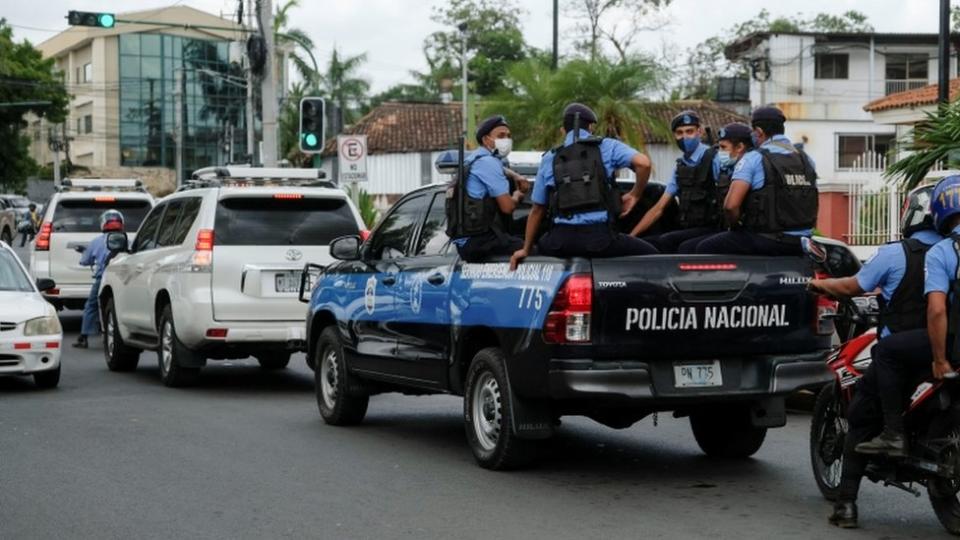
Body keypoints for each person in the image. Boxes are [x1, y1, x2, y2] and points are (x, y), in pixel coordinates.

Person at [806, 185, 941, 529]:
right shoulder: (951, 251)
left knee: (861, 414)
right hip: (944, 352)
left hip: (903, 355)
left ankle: (846, 505)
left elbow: (854, 286)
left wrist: (820, 285)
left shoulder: (896, 253)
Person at [851, 176, 960, 458]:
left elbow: (936, 310)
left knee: (886, 351)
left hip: (955, 345)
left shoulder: (944, 251)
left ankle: (893, 434)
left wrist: (940, 359)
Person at [510, 103, 658, 269]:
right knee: (653, 255)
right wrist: (635, 194)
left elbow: (537, 209)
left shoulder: (550, 157)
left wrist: (526, 249)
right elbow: (644, 164)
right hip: (599, 240)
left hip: (559, 243)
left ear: (562, 130)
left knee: (543, 243)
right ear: (591, 127)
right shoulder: (607, 146)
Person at [694, 106, 818, 256]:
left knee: (702, 248)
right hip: (802, 242)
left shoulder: (754, 158)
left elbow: (730, 205)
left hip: (767, 240)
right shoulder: (806, 159)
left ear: (759, 132)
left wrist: (735, 227)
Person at [631, 111, 722, 253]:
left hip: (713, 229)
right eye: (680, 133)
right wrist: (631, 237)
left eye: (689, 131)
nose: (685, 137)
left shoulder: (715, 159)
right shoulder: (681, 167)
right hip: (689, 229)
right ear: (674, 135)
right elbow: (658, 208)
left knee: (669, 242)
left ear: (700, 132)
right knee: (647, 243)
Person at [449, 115, 526, 262]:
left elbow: (496, 168)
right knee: (532, 248)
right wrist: (517, 195)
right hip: (481, 241)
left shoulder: (473, 159)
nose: (506, 140)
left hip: (467, 242)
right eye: (501, 136)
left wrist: (515, 175)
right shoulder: (488, 163)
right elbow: (508, 208)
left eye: (508, 136)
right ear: (486, 140)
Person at [74, 210, 124, 349]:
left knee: (91, 306)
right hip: (122, 279)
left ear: (103, 224)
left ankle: (83, 337)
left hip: (103, 278)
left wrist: (86, 253)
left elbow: (84, 261)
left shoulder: (96, 242)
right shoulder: (126, 240)